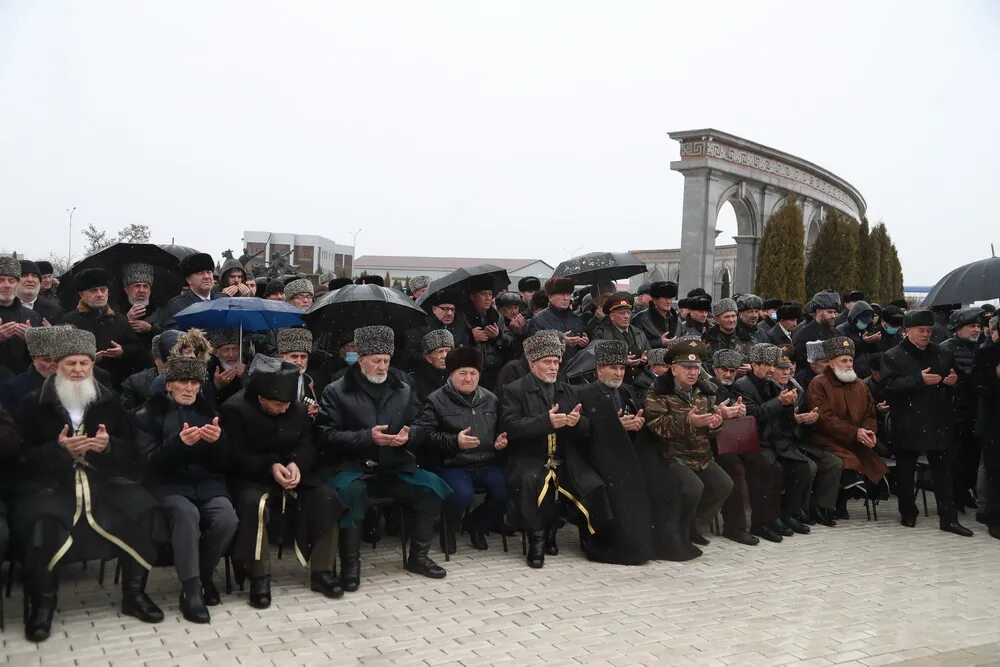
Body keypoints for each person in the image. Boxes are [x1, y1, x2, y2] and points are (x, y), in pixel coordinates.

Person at [12, 327, 163, 641]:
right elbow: (18, 459)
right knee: (42, 524)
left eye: (84, 363)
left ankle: (134, 596)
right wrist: (57, 451)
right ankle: (42, 607)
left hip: (102, 483)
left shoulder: (109, 401)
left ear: (93, 365)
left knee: (143, 509)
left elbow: (132, 453)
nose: (78, 370)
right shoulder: (32, 403)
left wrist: (108, 448)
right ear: (56, 366)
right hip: (52, 486)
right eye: (71, 363)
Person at [317, 325, 451, 590]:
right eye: (376, 360)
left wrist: (408, 435)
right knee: (349, 494)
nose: (381, 366)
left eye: (386, 361)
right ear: (361, 359)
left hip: (394, 464)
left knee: (432, 487)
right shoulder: (336, 390)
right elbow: (326, 435)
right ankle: (351, 567)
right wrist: (367, 437)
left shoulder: (402, 387)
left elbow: (421, 424)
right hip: (352, 467)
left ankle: (418, 557)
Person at [223, 356, 346, 607]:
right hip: (251, 477)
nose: (283, 410)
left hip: (293, 474)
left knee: (327, 498)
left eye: (287, 404)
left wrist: (296, 464)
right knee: (253, 506)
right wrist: (270, 466)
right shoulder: (234, 408)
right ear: (260, 398)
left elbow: (307, 444)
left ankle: (322, 571)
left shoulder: (296, 408)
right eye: (278, 404)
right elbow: (234, 455)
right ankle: (259, 577)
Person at [134, 355, 239, 623]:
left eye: (195, 382)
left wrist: (218, 442)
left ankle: (203, 576)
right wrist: (177, 445)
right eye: (183, 382)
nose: (189, 388)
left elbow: (226, 463)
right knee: (186, 514)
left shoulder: (210, 413)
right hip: (168, 487)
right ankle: (191, 590)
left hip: (208, 485)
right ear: (169, 385)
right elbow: (146, 466)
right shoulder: (147, 415)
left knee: (227, 517)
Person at [499, 330, 593, 568]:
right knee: (531, 481)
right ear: (532, 365)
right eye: (547, 362)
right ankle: (536, 540)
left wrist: (576, 423)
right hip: (529, 456)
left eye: (556, 362)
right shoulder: (515, 390)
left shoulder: (567, 389)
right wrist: (546, 422)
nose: (553, 367)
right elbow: (510, 427)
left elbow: (585, 427)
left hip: (563, 456)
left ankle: (555, 530)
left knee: (589, 481)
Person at [881, 309, 972, 535]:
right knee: (905, 471)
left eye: (929, 330)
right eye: (920, 330)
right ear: (907, 331)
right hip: (908, 420)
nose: (925, 334)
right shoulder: (893, 355)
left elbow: (960, 377)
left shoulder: (942, 353)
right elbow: (889, 387)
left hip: (938, 419)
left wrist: (954, 380)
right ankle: (908, 512)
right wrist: (917, 380)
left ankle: (948, 518)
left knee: (943, 472)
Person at [644, 339, 742, 546]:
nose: (693, 373)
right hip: (672, 457)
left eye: (696, 368)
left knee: (724, 485)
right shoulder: (659, 391)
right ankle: (678, 530)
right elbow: (656, 425)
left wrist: (716, 422)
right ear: (673, 369)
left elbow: (712, 430)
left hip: (701, 456)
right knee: (693, 488)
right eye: (687, 367)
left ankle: (694, 527)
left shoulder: (705, 390)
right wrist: (689, 421)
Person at [418, 347, 507, 552]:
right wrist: (454, 441)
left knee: (507, 490)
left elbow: (500, 429)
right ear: (451, 374)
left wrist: (500, 440)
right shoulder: (436, 400)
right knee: (463, 495)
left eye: (473, 373)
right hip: (453, 463)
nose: (468, 379)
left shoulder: (491, 399)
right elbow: (426, 436)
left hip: (486, 461)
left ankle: (476, 523)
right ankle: (448, 528)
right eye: (463, 373)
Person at [573, 340, 653, 564]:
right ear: (599, 369)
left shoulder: (626, 391)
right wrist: (615, 427)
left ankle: (637, 544)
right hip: (596, 459)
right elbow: (582, 432)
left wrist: (636, 425)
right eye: (613, 368)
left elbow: (635, 419)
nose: (618, 373)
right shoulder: (585, 394)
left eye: (622, 368)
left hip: (626, 457)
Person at [731, 344, 821, 532]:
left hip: (777, 441)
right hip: (755, 443)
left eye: (773, 364)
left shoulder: (774, 384)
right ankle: (764, 521)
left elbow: (785, 422)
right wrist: (780, 401)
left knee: (801, 467)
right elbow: (755, 414)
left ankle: (788, 514)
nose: (772, 369)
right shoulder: (742, 385)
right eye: (767, 364)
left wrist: (790, 407)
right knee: (773, 469)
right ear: (754, 365)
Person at [804, 336, 888, 519]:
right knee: (845, 462)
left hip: (854, 439)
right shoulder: (818, 383)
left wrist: (868, 431)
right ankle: (830, 505)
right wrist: (855, 433)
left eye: (850, 360)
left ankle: (844, 500)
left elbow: (869, 413)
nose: (849, 364)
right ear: (831, 363)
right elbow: (824, 419)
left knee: (869, 461)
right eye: (844, 360)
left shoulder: (860, 385)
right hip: (826, 440)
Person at [709, 349, 784, 545]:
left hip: (736, 442)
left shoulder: (737, 387)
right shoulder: (707, 386)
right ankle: (735, 527)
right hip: (711, 444)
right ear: (714, 369)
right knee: (735, 471)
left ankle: (763, 521)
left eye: (733, 371)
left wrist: (739, 411)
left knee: (761, 463)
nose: (728, 374)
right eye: (724, 370)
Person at [59, 268, 143, 387]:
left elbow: (136, 347)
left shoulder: (119, 319)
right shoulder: (68, 321)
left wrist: (122, 351)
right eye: (93, 291)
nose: (100, 294)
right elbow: (60, 355)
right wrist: (86, 359)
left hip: (114, 384)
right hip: (79, 384)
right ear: (82, 295)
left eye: (103, 290)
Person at [940, 307, 985, 510]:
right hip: (954, 412)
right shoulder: (946, 349)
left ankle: (966, 492)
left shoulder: (981, 347)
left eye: (978, 326)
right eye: (971, 326)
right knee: (955, 460)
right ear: (958, 328)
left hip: (975, 413)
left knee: (972, 458)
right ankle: (955, 498)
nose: (976, 330)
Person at [973, 330, 1000, 539]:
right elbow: (976, 385)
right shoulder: (987, 354)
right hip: (994, 422)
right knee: (993, 470)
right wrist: (994, 374)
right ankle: (992, 516)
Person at [589, 291, 649, 381]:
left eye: (628, 312)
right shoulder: (601, 333)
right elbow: (595, 359)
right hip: (614, 383)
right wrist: (620, 360)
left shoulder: (639, 332)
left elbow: (648, 351)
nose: (626, 316)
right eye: (622, 313)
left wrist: (646, 359)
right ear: (612, 316)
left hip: (638, 383)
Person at [0, 255, 45, 375]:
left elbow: (44, 358)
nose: (7, 285)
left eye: (11, 280)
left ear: (17, 283)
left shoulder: (32, 316)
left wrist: (33, 341)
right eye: (1, 280)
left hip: (22, 386)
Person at [464, 279, 511, 390]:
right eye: (483, 294)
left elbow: (510, 342)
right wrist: (471, 337)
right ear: (472, 296)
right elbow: (454, 341)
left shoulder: (496, 317)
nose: (488, 298)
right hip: (469, 370)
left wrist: (498, 336)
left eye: (490, 294)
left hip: (494, 373)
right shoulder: (463, 317)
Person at [527, 277, 588, 364]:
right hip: (550, 368)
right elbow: (535, 349)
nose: (566, 298)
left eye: (568, 294)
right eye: (562, 294)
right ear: (550, 297)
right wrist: (560, 341)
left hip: (574, 368)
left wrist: (583, 343)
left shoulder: (576, 318)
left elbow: (579, 349)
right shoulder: (538, 320)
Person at [120, 331, 182, 413]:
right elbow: (124, 418)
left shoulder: (198, 381)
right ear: (157, 360)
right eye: (172, 359)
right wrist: (153, 403)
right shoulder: (134, 383)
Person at [156, 253, 221, 330]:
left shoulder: (223, 300)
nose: (207, 277)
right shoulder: (176, 306)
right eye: (200, 273)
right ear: (189, 280)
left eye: (209, 272)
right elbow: (171, 335)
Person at [702, 298, 755, 372]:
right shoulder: (707, 340)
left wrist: (751, 368)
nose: (731, 320)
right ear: (717, 320)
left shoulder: (748, 339)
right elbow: (702, 366)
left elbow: (758, 363)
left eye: (733, 316)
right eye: (727, 317)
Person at [791, 291, 841, 366]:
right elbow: (800, 362)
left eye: (834, 312)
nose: (833, 316)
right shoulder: (805, 334)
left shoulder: (836, 333)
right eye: (829, 312)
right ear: (818, 312)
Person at [834, 300, 879, 379]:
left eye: (866, 322)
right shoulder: (840, 331)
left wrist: (874, 342)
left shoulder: (865, 331)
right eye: (862, 321)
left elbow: (870, 352)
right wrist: (863, 342)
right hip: (848, 375)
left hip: (865, 375)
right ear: (854, 317)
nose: (864, 324)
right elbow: (845, 353)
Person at [410, 329, 453, 406]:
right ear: (428, 357)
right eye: (440, 351)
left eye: (448, 351)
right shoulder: (415, 381)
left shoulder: (458, 378)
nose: (445, 356)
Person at [632, 281, 679, 349]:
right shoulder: (640, 319)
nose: (668, 302)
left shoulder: (676, 319)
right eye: (664, 298)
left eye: (670, 298)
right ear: (654, 300)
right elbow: (636, 344)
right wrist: (660, 342)